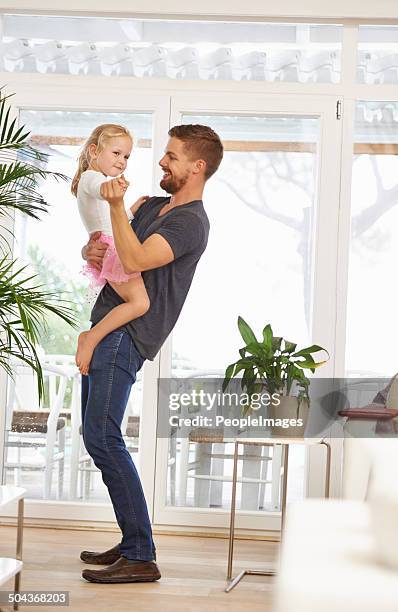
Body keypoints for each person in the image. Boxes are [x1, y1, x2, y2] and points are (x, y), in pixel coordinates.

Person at [79, 124, 224, 584]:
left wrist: (120, 207)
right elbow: (112, 254)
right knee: (96, 436)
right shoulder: (156, 207)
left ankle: (141, 553)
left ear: (196, 167)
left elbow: (137, 260)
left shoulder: (189, 223)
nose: (161, 162)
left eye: (172, 156)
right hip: (108, 327)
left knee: (103, 438)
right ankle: (130, 541)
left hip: (127, 335)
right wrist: (92, 246)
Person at [72, 123, 150, 375]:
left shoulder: (94, 179)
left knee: (137, 301)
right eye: (116, 154)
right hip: (111, 248)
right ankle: (91, 338)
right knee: (140, 303)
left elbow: (107, 218)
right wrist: (112, 192)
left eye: (126, 156)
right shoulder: (92, 179)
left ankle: (92, 337)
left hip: (107, 244)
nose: (122, 161)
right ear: (94, 151)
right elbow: (101, 190)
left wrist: (130, 210)